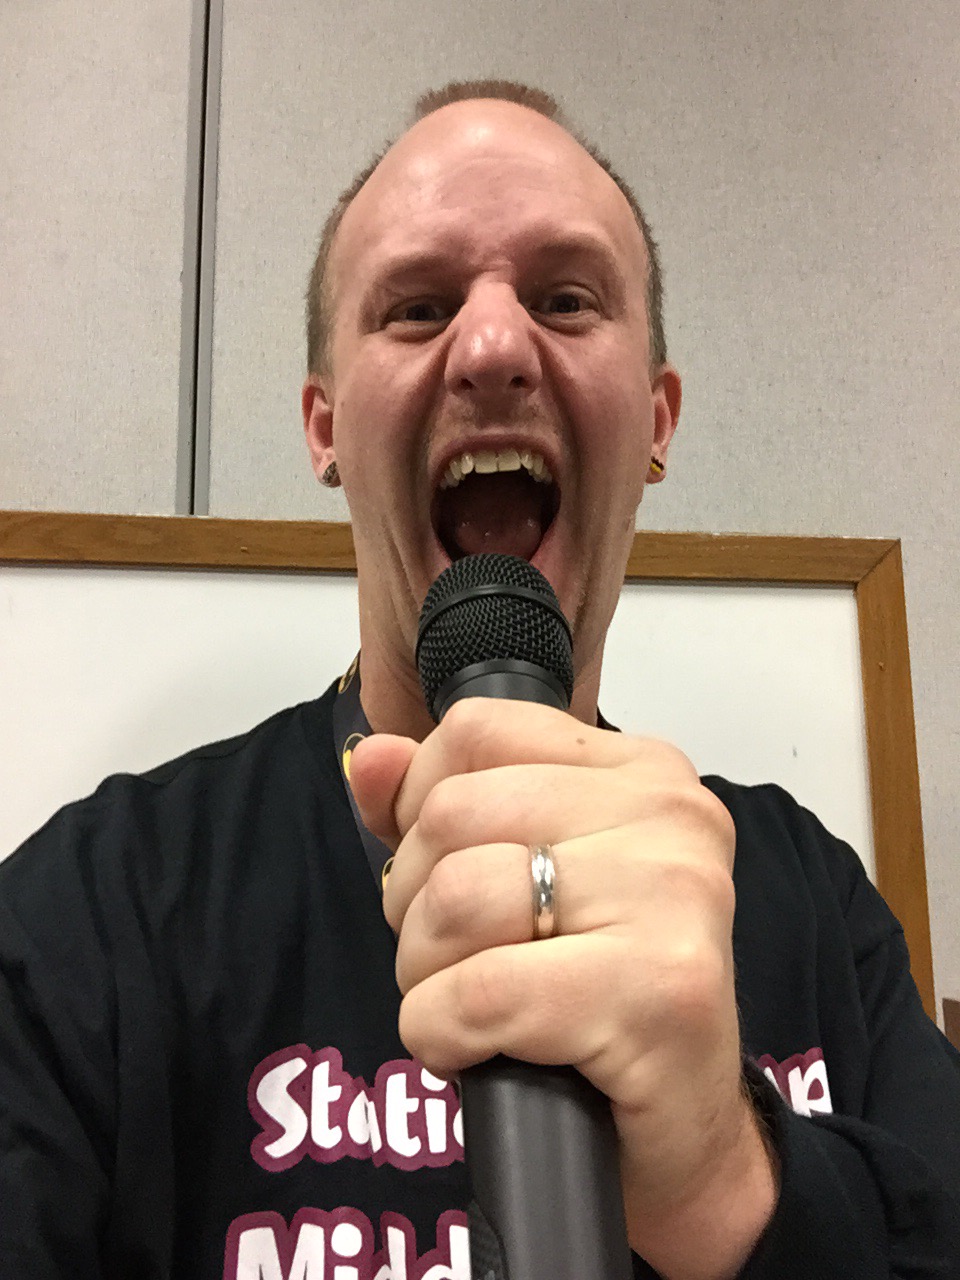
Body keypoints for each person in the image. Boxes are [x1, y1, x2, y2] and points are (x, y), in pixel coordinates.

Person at [1, 79, 958, 1280]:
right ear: (325, 427)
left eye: (566, 299)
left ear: (656, 420)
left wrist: (728, 1180)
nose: (495, 348)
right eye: (416, 307)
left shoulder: (816, 904)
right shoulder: (96, 909)